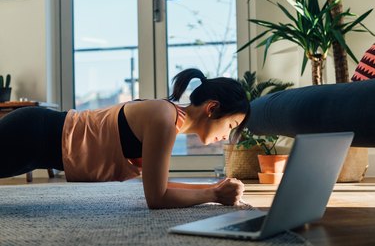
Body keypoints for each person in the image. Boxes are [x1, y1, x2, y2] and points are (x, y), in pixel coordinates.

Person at [0, 68, 250, 209]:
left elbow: (162, 186)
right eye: (231, 125)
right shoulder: (164, 118)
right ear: (212, 108)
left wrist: (214, 188)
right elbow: (157, 198)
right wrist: (215, 196)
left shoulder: (169, 119)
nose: (226, 135)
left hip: (37, 141)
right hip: (32, 135)